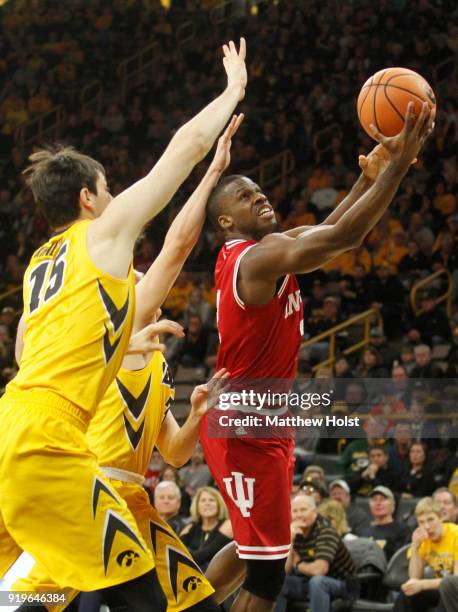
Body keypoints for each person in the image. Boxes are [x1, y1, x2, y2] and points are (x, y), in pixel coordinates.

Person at [203, 102, 435, 611]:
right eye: (245, 196)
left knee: (257, 550)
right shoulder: (258, 257)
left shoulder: (272, 247)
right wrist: (399, 165)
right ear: (226, 219)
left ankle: (181, 602)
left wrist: (367, 178)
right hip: (243, 424)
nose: (259, 197)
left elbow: (329, 230)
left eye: (260, 191)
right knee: (266, 573)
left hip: (264, 419)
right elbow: (345, 237)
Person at [11, 116, 245, 611]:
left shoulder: (53, 276)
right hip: (78, 472)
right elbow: (176, 247)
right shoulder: (107, 313)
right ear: (87, 198)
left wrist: (199, 413)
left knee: (191, 604)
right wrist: (210, 170)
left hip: (125, 494)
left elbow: (175, 455)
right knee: (53, 597)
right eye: (107, 189)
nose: (136, 277)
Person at [274, 494, 356, 612]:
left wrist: (298, 564)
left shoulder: (325, 531)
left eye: (303, 510)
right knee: (279, 581)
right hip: (309, 582)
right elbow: (284, 571)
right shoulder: (294, 532)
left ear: (314, 512)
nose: (299, 515)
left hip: (343, 585)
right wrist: (290, 540)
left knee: (317, 582)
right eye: (295, 511)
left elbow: (319, 570)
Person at [394, 497, 458, 612]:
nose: (427, 527)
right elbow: (414, 577)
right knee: (408, 592)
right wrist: (415, 547)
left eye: (431, 520)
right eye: (421, 522)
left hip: (453, 591)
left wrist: (422, 585)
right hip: (440, 589)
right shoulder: (425, 538)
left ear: (442, 517)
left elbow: (455, 582)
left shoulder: (455, 534)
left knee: (447, 584)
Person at [181, 487, 233, 571]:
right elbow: (177, 550)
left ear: (219, 504)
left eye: (211, 500)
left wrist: (184, 558)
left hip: (219, 576)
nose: (207, 503)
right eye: (203, 500)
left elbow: (208, 553)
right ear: (197, 506)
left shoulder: (228, 525)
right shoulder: (190, 526)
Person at [360, 486, 411, 561]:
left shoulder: (403, 531)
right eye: (374, 500)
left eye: (382, 499)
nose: (378, 503)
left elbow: (402, 560)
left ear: (393, 505)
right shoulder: (364, 532)